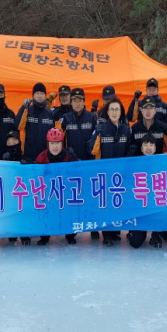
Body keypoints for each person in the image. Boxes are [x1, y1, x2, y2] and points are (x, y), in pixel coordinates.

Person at [88, 97, 131, 246]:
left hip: (121, 174)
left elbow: (129, 151)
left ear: (121, 112)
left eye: (117, 109)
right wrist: (96, 138)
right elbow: (90, 149)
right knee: (106, 204)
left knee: (117, 203)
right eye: (111, 109)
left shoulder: (126, 129)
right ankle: (106, 234)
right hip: (104, 174)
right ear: (107, 112)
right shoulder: (101, 128)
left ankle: (115, 232)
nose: (114, 112)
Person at [60, 88, 99, 239]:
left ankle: (93, 227)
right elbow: (59, 139)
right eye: (74, 100)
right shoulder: (65, 118)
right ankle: (72, 229)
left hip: (89, 163)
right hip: (72, 164)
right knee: (73, 198)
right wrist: (66, 152)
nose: (77, 103)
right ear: (71, 102)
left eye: (80, 100)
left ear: (84, 102)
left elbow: (97, 139)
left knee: (90, 197)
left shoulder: (92, 117)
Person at [34, 128, 78, 245]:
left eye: (58, 143)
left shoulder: (68, 155)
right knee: (45, 212)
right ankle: (44, 236)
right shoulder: (42, 156)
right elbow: (35, 174)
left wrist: (74, 160)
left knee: (69, 211)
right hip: (48, 192)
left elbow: (78, 172)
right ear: (48, 144)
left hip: (65, 192)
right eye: (52, 143)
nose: (55, 146)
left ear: (62, 143)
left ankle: (70, 234)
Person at [128, 134, 166, 248]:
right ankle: (137, 232)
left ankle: (156, 234)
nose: (148, 148)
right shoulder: (134, 164)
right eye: (145, 145)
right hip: (139, 208)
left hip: (155, 206)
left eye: (151, 145)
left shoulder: (162, 163)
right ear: (141, 148)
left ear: (155, 148)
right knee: (135, 243)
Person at [15, 82, 55, 163]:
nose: (40, 96)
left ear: (45, 96)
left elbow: (55, 134)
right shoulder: (28, 110)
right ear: (33, 95)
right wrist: (23, 108)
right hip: (28, 156)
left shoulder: (50, 113)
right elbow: (17, 125)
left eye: (42, 93)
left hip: (45, 157)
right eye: (37, 93)